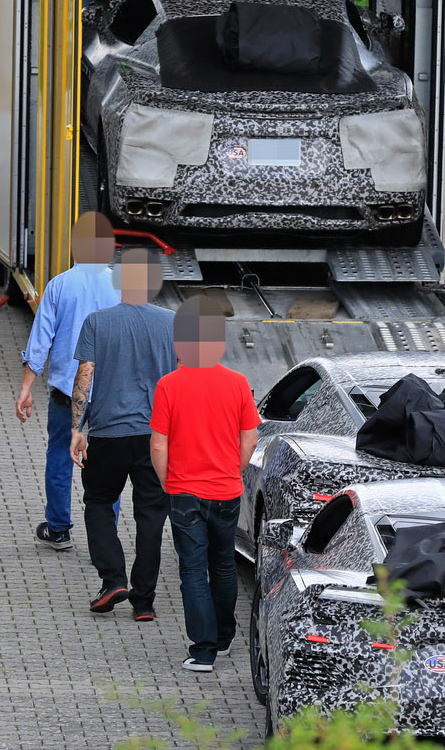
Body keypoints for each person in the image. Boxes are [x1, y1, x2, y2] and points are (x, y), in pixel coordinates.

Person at [149, 297, 261, 672]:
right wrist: (235, 467)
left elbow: (158, 442)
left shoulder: (169, 385)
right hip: (226, 490)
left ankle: (203, 650)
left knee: (193, 570)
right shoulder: (238, 383)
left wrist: (168, 481)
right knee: (224, 564)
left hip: (185, 493)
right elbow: (251, 437)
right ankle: (226, 637)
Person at [70, 247, 177, 619]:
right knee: (151, 516)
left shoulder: (97, 322)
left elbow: (85, 376)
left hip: (108, 434)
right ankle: (144, 602)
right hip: (155, 438)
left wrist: (76, 428)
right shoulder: (171, 322)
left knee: (98, 503)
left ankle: (113, 578)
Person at [14, 212, 118, 549]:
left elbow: (40, 340)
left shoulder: (59, 285)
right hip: (107, 393)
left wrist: (27, 387)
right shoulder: (120, 285)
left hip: (66, 390)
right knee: (105, 463)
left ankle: (58, 528)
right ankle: (104, 534)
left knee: (60, 454)